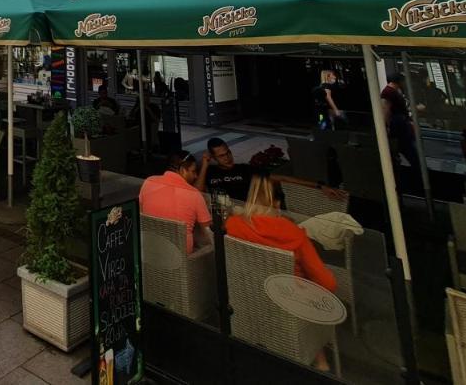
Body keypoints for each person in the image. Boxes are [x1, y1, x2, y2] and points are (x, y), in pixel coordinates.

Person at [225, 172, 337, 370]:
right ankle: (321, 363)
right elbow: (328, 283)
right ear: (276, 204)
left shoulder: (233, 225)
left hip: (249, 300)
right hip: (287, 303)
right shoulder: (292, 233)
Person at [196, 137, 345, 203]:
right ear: (214, 158)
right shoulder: (210, 172)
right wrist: (204, 164)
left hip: (246, 214)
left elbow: (283, 179)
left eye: (228, 152)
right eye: (221, 156)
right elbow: (197, 192)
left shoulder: (245, 170)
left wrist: (319, 186)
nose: (227, 158)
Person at [138, 151, 212, 254]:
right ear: (182, 170)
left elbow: (142, 215)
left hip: (150, 250)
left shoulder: (148, 182)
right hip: (181, 257)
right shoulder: (194, 194)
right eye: (193, 171)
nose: (195, 176)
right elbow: (209, 232)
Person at [382, 72, 421, 177]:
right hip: (399, 126)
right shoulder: (389, 92)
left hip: (401, 124)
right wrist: (386, 125)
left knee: (408, 149)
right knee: (409, 149)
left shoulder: (393, 92)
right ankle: (418, 172)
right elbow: (386, 110)